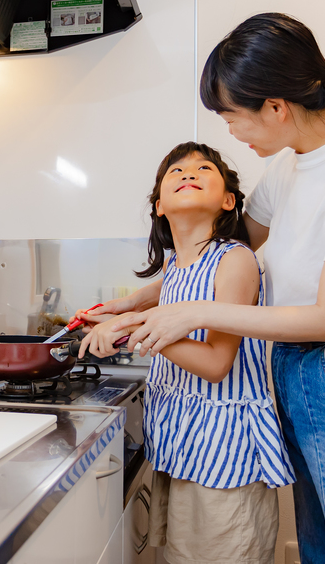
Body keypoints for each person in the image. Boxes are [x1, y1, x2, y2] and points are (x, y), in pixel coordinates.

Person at [79, 13, 325, 564]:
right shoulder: (291, 169)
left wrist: (183, 314)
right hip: (298, 370)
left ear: (275, 107)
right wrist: (134, 303)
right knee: (320, 551)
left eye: (233, 118)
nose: (232, 134)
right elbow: (211, 256)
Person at [79, 141, 295, 564]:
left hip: (222, 456)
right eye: (175, 171)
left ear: (228, 201)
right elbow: (167, 294)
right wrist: (125, 311)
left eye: (203, 169)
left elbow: (216, 363)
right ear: (159, 205)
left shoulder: (236, 261)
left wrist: (132, 328)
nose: (188, 173)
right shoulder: (176, 266)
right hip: (183, 449)